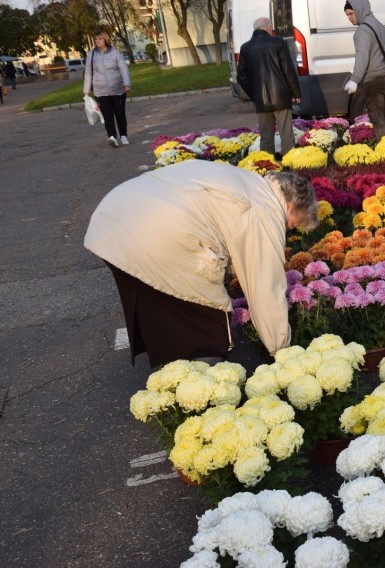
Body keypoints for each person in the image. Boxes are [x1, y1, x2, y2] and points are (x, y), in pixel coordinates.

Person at [84, 160, 320, 368]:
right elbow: (265, 288)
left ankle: (176, 376)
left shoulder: (249, 182)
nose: (287, 230)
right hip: (155, 234)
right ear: (289, 207)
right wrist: (283, 352)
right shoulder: (264, 210)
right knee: (210, 326)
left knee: (167, 304)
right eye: (292, 224)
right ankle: (201, 397)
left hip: (114, 218)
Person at [237, 17, 302, 160]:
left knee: (266, 137)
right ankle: (289, 164)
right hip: (281, 96)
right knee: (286, 134)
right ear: (268, 27)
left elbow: (241, 77)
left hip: (261, 99)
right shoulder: (278, 42)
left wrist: (254, 95)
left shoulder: (245, 48)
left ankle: (267, 167)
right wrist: (295, 92)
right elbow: (288, 70)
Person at [343, 0, 385, 138]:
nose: (349, 18)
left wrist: (354, 79)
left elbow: (362, 57)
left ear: (359, 10)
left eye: (351, 13)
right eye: (347, 15)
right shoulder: (379, 25)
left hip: (373, 81)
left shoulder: (362, 31)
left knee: (378, 121)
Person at [83, 31, 132, 148]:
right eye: (96, 39)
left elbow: (123, 70)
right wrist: (86, 90)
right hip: (100, 91)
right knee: (107, 115)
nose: (97, 41)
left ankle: (123, 135)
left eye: (100, 39)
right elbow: (88, 73)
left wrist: (127, 84)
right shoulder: (91, 55)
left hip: (118, 90)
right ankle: (112, 137)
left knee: (120, 114)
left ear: (105, 40)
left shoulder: (115, 54)